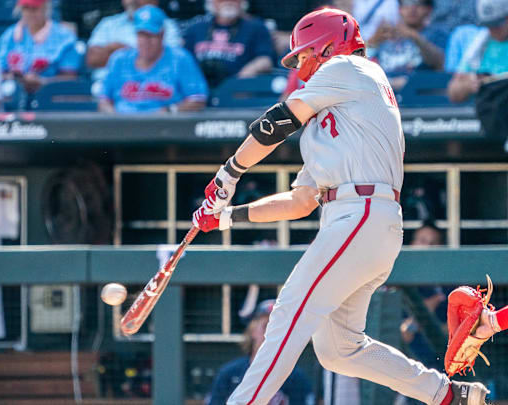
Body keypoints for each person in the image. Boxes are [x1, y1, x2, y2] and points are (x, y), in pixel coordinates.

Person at [191, 7, 489, 405]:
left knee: (289, 311)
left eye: (302, 55)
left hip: (362, 213)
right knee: (338, 349)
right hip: (359, 220)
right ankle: (447, 394)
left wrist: (229, 174)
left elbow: (277, 120)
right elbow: (299, 202)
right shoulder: (335, 118)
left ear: (327, 46)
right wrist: (227, 216)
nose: (299, 65)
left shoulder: (349, 67)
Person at [98, 5, 208, 114]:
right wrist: (114, 119)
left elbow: (197, 100)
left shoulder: (180, 59)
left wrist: (170, 111)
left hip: (166, 126)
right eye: (141, 35)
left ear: (162, 34)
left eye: (151, 35)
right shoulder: (119, 59)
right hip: (123, 126)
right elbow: (104, 100)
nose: (146, 41)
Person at [205, 300, 312, 405]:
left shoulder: (296, 377)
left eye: (278, 327)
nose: (271, 332)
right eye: (266, 326)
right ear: (253, 330)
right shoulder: (229, 374)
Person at [86, 0, 182, 87]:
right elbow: (93, 59)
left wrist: (115, 52)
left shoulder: (167, 26)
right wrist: (115, 48)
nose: (133, 1)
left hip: (154, 87)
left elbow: (171, 60)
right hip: (107, 86)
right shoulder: (108, 24)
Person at [182, 0, 277, 88]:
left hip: (237, 89)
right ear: (211, 3)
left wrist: (241, 79)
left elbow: (265, 60)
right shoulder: (196, 28)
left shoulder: (256, 27)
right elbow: (182, 60)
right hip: (198, 87)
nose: (228, 2)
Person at [0, 0, 81, 93]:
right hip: (14, 94)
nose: (30, 13)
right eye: (26, 8)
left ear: (46, 8)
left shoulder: (64, 36)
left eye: (34, 8)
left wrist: (43, 82)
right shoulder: (9, 35)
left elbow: (70, 77)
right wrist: (16, 79)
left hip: (51, 95)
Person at [367, 0, 446, 90]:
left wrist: (416, 37)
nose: (412, 9)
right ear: (399, 9)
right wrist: (372, 43)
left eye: (418, 4)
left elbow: (441, 63)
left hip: (418, 93)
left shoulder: (436, 33)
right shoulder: (386, 34)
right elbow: (362, 66)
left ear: (429, 9)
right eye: (407, 3)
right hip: (383, 92)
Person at [447, 0, 508, 103]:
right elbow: (453, 93)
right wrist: (468, 85)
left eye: (497, 24)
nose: (492, 29)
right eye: (489, 24)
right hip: (491, 112)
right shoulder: (479, 43)